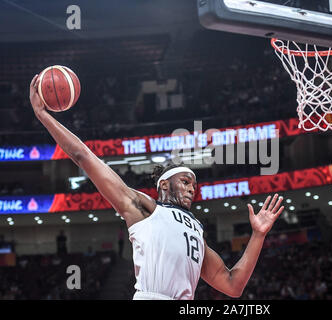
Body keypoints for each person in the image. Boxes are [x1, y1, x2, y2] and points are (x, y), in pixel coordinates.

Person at [29, 75, 285, 300]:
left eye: (193, 185)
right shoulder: (145, 209)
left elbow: (233, 286)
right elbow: (83, 156)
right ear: (164, 184)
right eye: (185, 182)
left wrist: (258, 236)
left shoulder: (196, 230)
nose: (191, 189)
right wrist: (43, 115)